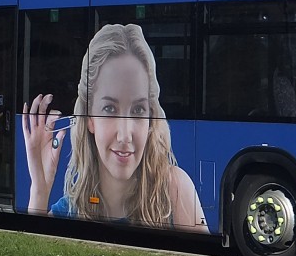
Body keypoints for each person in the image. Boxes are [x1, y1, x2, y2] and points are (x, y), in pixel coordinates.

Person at [22, 23, 208, 233]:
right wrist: (40, 190)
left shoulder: (174, 188)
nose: (125, 135)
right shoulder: (70, 209)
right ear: (89, 118)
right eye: (109, 108)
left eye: (138, 110)